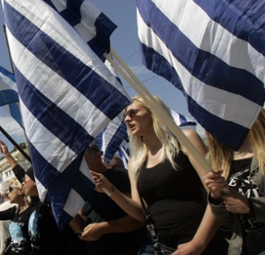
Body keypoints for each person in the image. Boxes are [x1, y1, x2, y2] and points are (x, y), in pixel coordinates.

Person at [92, 95, 226, 254]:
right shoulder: (135, 162)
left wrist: (198, 243)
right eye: (126, 115)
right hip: (165, 246)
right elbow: (141, 213)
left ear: (154, 113)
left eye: (133, 113)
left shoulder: (185, 141)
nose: (127, 119)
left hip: (204, 243)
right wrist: (109, 189)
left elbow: (216, 195)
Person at [204, 108, 265, 254]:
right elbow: (228, 223)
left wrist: (254, 206)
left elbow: (248, 207)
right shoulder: (215, 158)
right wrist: (217, 198)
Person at [70, 143, 143, 255]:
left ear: (98, 156)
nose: (78, 164)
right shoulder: (83, 188)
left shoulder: (121, 176)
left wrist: (104, 228)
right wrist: (64, 206)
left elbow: (139, 217)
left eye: (81, 158)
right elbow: (81, 227)